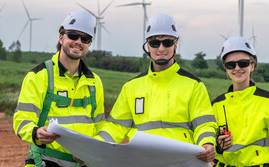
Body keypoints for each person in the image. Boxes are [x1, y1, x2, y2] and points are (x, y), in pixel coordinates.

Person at [95, 13, 217, 163]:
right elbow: (115, 127)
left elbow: (204, 124)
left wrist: (207, 143)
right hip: (142, 161)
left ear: (175, 45)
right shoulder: (131, 87)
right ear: (147, 46)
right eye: (154, 43)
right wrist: (94, 144)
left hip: (179, 162)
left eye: (167, 42)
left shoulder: (194, 86)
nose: (161, 48)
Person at [13, 10, 105, 167]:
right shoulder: (39, 76)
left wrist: (94, 150)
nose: (78, 42)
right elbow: (22, 120)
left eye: (85, 38)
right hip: (46, 161)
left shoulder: (94, 82)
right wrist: (36, 133)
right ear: (61, 37)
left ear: (89, 44)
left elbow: (100, 126)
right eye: (73, 36)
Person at [211, 36, 269, 166]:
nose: (237, 68)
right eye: (231, 65)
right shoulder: (216, 105)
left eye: (243, 63)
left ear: (253, 65)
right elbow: (206, 146)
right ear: (226, 69)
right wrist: (218, 146)